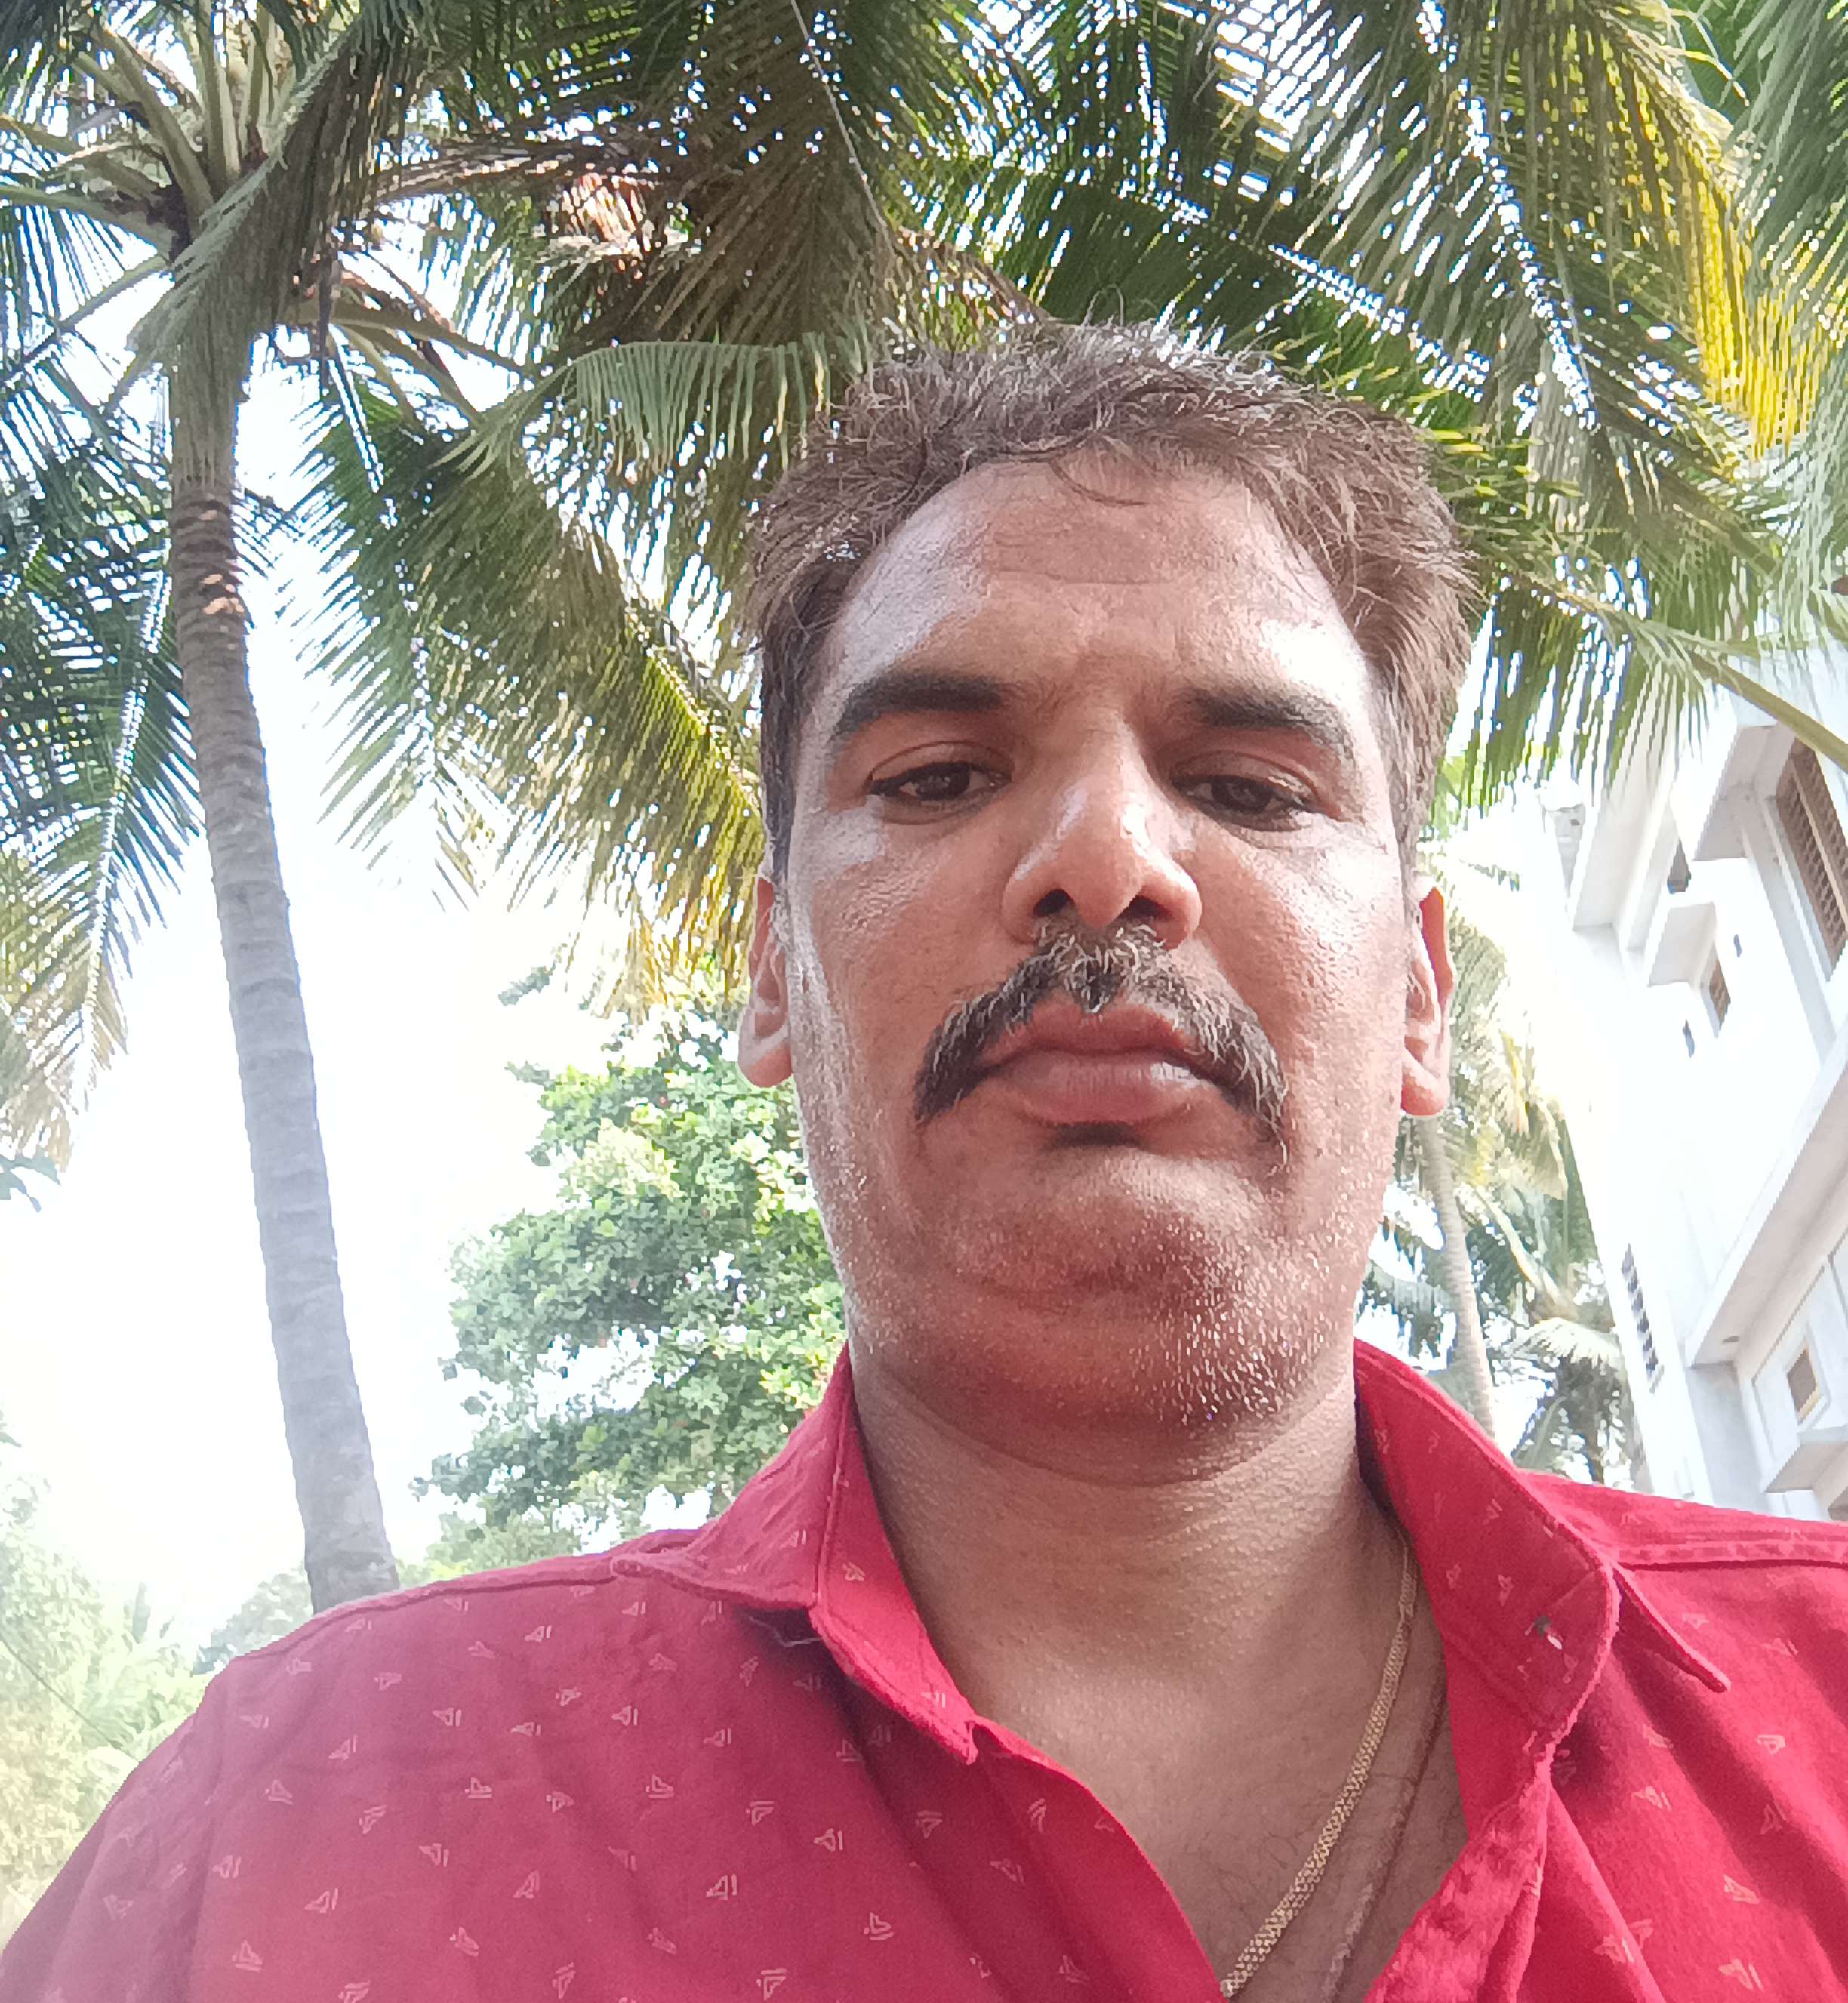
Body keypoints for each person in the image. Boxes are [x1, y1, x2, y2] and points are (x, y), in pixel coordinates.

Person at [7, 328, 1847, 2003]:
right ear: (771, 973)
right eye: (941, 776)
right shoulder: (290, 1838)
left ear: (1424, 997)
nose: (1109, 859)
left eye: (1251, 787)